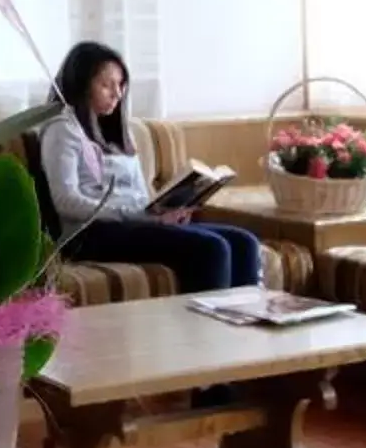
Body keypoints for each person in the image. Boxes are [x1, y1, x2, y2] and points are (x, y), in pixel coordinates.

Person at [36, 40, 263, 294]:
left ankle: (243, 326)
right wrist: (134, 214)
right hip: (92, 233)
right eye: (106, 85)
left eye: (120, 85)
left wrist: (165, 211)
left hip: (135, 224)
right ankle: (205, 331)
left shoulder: (118, 133)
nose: (117, 94)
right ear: (81, 84)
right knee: (212, 248)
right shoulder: (62, 130)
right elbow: (66, 201)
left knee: (244, 242)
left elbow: (141, 197)